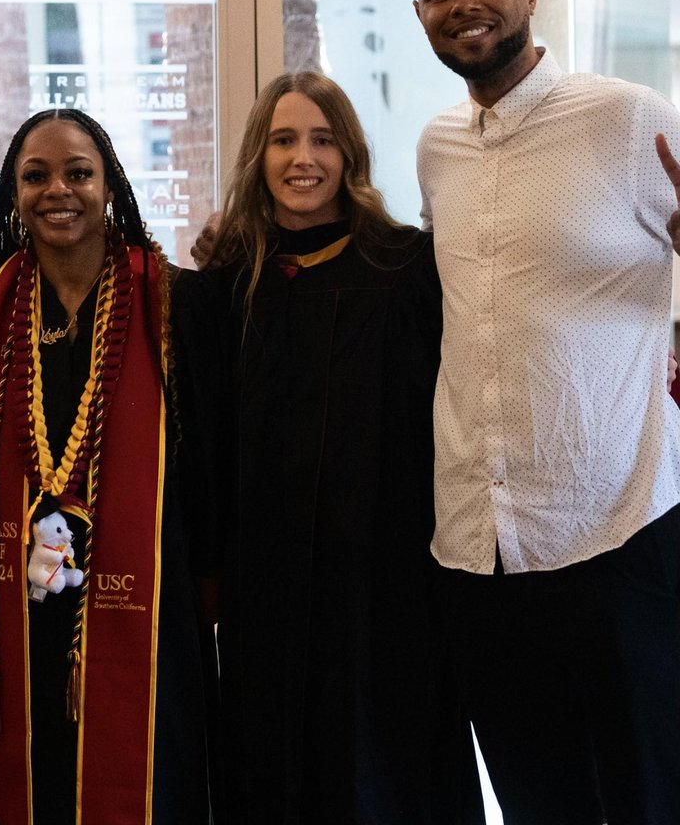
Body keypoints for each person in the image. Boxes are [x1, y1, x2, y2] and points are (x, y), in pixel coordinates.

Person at [409, 0, 680, 823]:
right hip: (476, 549)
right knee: (534, 803)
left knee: (649, 795)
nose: (465, 4)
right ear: (420, 14)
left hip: (618, 534)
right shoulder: (436, 148)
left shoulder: (628, 119)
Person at [199, 72, 482, 823]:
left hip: (388, 584)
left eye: (323, 139)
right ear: (258, 156)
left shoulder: (405, 268)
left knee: (386, 767)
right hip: (270, 589)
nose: (303, 158)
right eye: (284, 139)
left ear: (350, 154)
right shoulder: (232, 285)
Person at [0, 109, 215, 824]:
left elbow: (212, 468)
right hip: (15, 605)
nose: (58, 190)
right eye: (36, 176)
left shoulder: (176, 305)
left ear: (110, 185)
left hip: (145, 611)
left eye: (78, 173)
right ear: (13, 193)